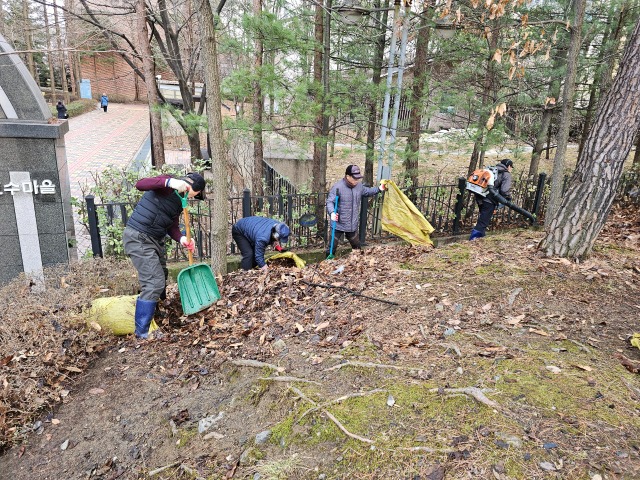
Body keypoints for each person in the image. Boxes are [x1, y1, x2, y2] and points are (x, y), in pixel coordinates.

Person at [123, 172, 206, 338]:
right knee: (154, 282)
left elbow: (172, 225)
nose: (192, 198)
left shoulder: (178, 200)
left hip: (154, 239)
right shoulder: (167, 185)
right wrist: (170, 182)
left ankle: (156, 314)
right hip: (139, 237)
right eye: (195, 195)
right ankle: (142, 332)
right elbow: (141, 184)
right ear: (193, 190)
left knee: (162, 274)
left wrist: (182, 238)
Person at [325, 164, 386, 257]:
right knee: (331, 248)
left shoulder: (359, 186)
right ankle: (327, 264)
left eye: (358, 178)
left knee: (357, 247)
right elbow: (330, 202)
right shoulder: (338, 187)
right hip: (338, 223)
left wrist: (379, 189)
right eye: (354, 178)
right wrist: (332, 212)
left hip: (352, 224)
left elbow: (367, 191)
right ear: (347, 176)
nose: (356, 180)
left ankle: (357, 262)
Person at [469, 158, 514, 240]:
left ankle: (481, 236)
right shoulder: (506, 174)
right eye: (511, 167)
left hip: (480, 197)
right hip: (490, 199)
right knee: (483, 221)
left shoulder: (492, 170)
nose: (511, 169)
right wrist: (508, 197)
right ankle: (473, 239)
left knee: (484, 218)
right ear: (509, 166)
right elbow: (504, 190)